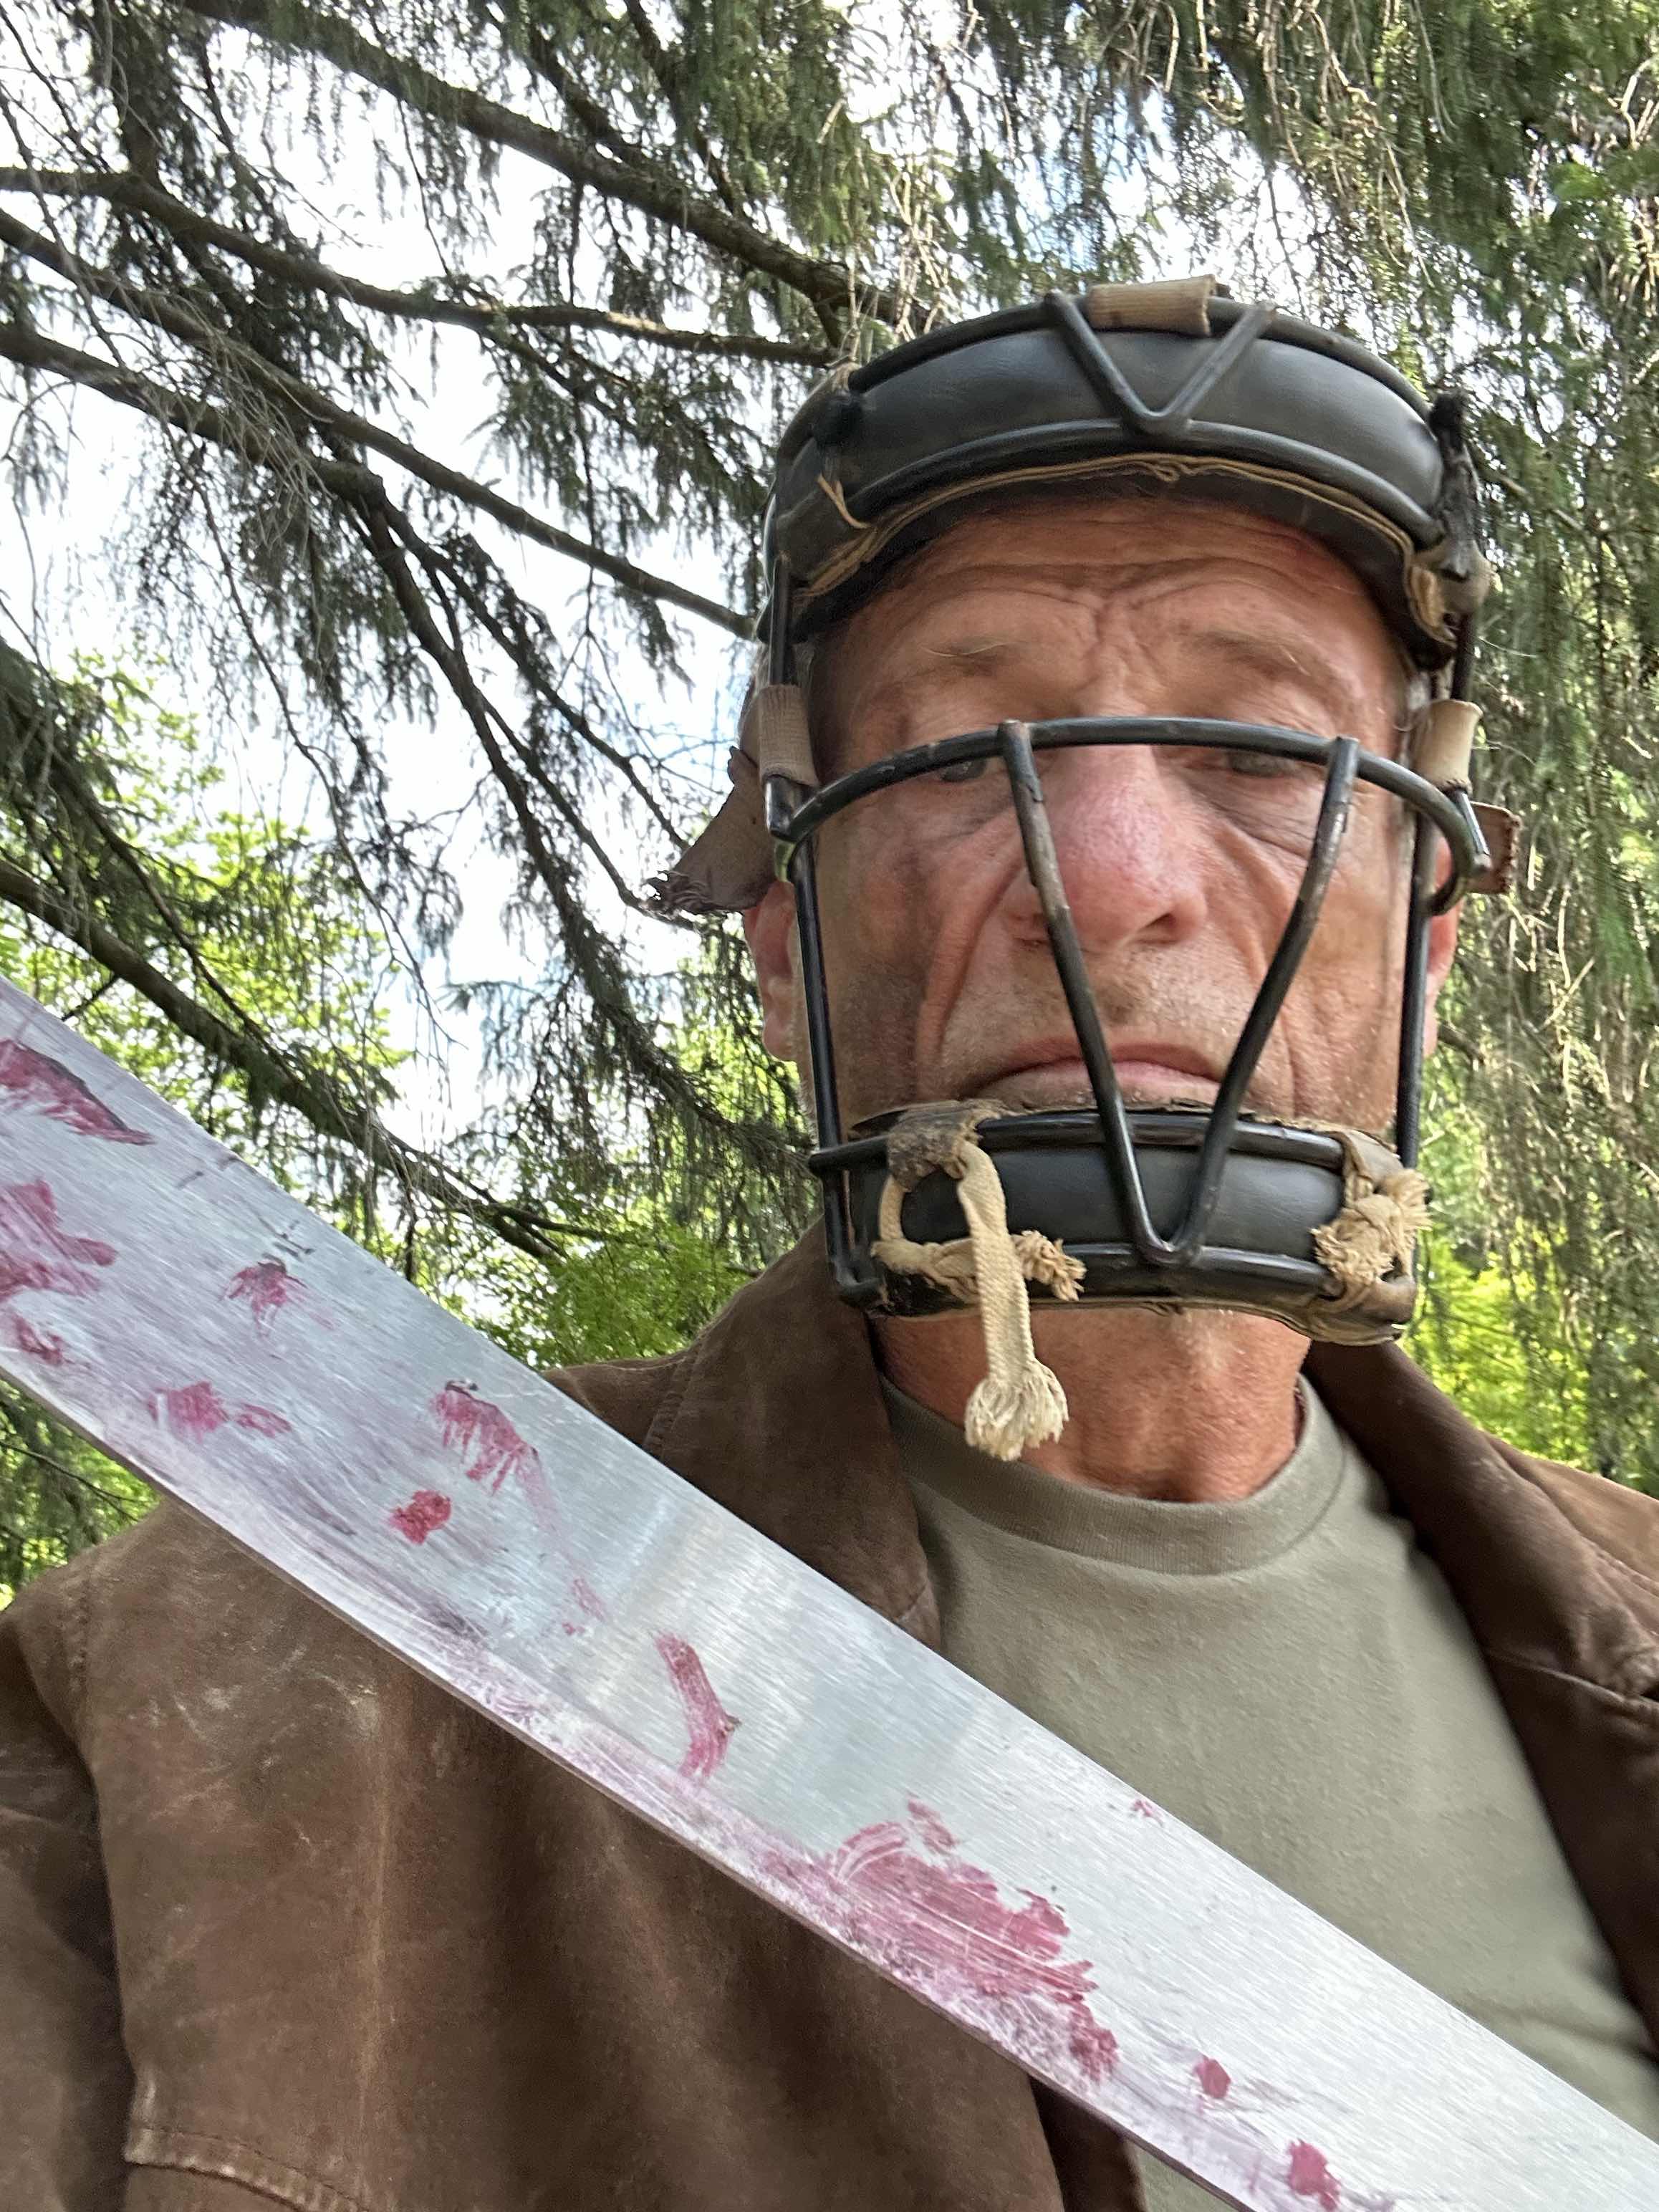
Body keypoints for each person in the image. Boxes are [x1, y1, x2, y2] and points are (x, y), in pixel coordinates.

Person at [4, 276, 1658, 2212]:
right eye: (961, 752)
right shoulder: (216, 1702)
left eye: (1257, 749)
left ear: (1429, 938)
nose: (1108, 881)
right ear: (785, 947)